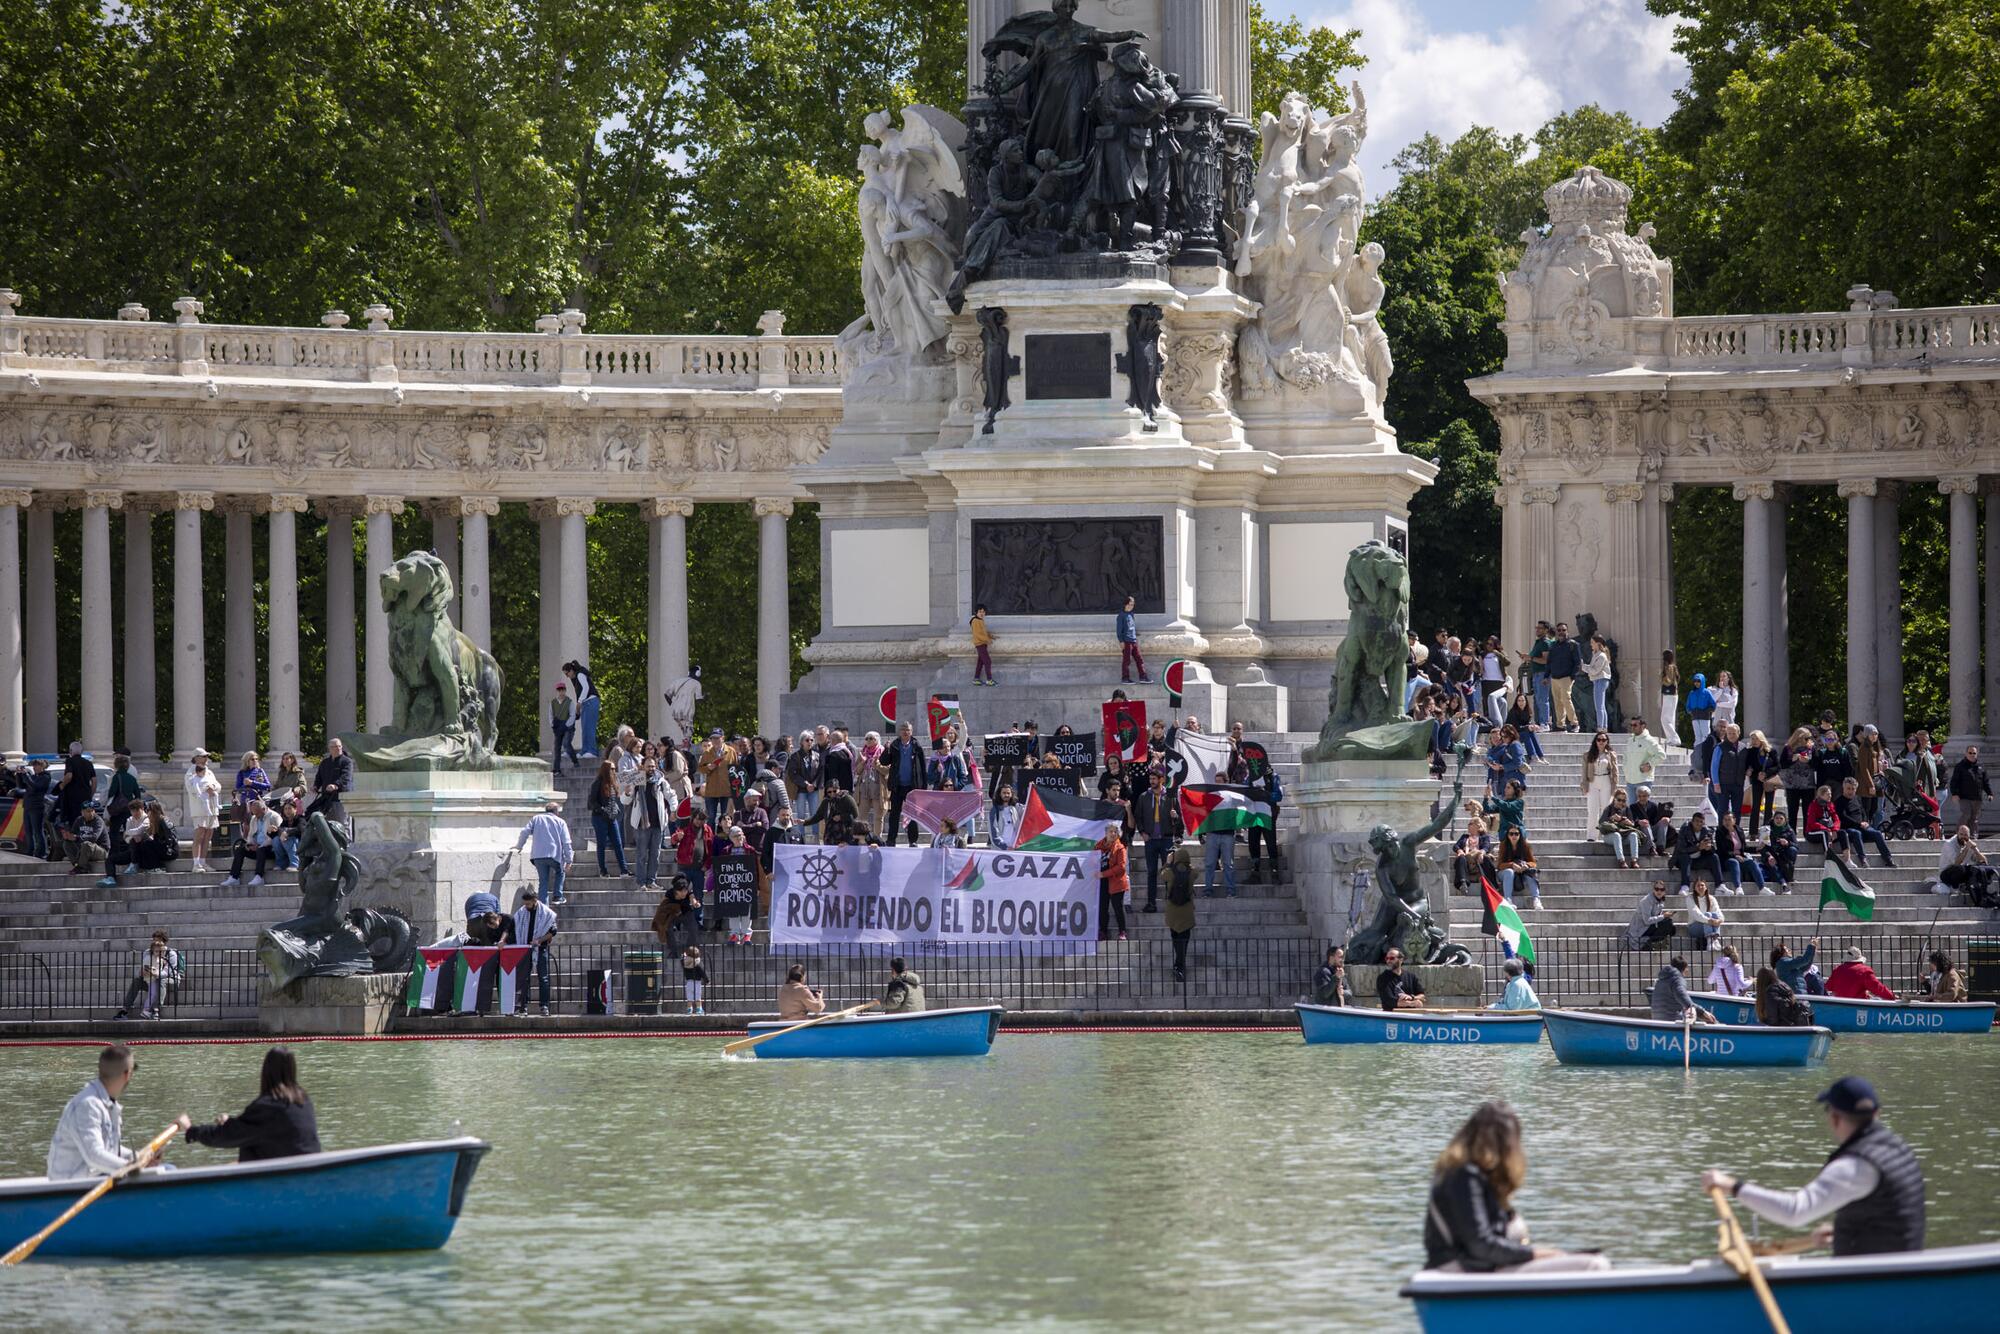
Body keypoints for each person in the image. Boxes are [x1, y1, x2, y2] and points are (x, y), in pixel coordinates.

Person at [1701, 1076, 1924, 1256]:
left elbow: (1794, 1212)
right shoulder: (1897, 1147)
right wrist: (1845, 1232)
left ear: (1835, 1118)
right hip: (1897, 1272)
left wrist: (1731, 1186)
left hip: (1870, 1286)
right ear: (1876, 1114)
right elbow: (1891, 1215)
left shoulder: (1856, 1165)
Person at [1424, 1101, 1607, 1274]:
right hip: (1464, 1269)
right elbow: (1481, 1245)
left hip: (1480, 1266)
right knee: (1594, 1265)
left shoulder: (1466, 1175)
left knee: (1587, 1258)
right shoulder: (1464, 1177)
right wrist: (1535, 1254)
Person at [48, 1044, 191, 1179]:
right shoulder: (87, 1105)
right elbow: (94, 1155)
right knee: (169, 1172)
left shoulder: (106, 1103)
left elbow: (109, 1150)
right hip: (74, 1186)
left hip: (96, 1177)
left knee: (168, 1169)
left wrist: (140, 1157)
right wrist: (132, 1166)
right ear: (127, 1074)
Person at [184, 1046, 321, 1162]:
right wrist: (231, 1123)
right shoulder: (304, 1100)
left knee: (248, 1144)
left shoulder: (268, 1106)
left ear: (266, 1072)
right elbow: (257, 1129)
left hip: (279, 1180)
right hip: (308, 1171)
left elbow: (227, 1136)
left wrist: (192, 1131)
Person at [514, 800, 574, 905]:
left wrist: (519, 846)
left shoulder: (536, 818)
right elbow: (566, 842)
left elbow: (525, 832)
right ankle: (557, 896)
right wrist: (569, 859)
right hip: (554, 855)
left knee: (543, 881)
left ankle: (542, 905)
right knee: (560, 871)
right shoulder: (560, 821)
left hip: (538, 856)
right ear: (557, 811)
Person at [512, 886, 558, 1016]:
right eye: (525, 903)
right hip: (525, 949)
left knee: (543, 977)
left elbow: (553, 931)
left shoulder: (546, 913)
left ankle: (544, 1006)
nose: (526, 906)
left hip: (541, 948)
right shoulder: (521, 912)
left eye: (528, 903)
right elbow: (515, 925)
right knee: (524, 978)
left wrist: (539, 940)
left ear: (535, 901)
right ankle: (523, 1006)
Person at [114, 931, 182, 1020]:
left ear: (164, 942)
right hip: (151, 979)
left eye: (158, 941)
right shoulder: (148, 952)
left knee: (161, 980)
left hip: (170, 980)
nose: (155, 943)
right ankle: (125, 1010)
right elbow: (143, 967)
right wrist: (143, 973)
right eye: (154, 940)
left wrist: (155, 974)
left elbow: (167, 972)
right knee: (137, 980)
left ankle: (156, 1009)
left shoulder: (171, 954)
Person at [882, 721, 927, 847]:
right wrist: (886, 749)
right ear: (899, 732)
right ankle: (891, 839)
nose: (905, 732)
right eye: (903, 729)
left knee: (912, 815)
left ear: (911, 732)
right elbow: (884, 761)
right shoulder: (894, 745)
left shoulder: (916, 746)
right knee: (894, 815)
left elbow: (923, 767)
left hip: (912, 787)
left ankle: (913, 840)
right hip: (897, 786)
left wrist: (923, 787)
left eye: (907, 730)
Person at [219, 797, 280, 888]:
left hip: (270, 847)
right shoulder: (254, 818)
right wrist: (249, 844)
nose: (256, 816)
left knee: (261, 850)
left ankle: (259, 876)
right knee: (240, 849)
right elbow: (251, 835)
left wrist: (260, 846)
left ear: (264, 809)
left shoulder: (274, 817)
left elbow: (277, 836)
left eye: (258, 813)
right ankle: (234, 877)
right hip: (257, 846)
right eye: (254, 813)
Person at [629, 758, 669, 889]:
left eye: (653, 766)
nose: (651, 768)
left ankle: (651, 881)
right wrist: (627, 791)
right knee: (641, 855)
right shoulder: (636, 780)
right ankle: (641, 882)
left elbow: (671, 795)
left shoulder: (661, 781)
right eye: (648, 766)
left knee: (655, 854)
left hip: (657, 823)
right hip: (642, 824)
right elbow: (625, 800)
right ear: (642, 766)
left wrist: (674, 809)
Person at [587, 760, 629, 877]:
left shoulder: (613, 783)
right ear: (605, 770)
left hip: (611, 817)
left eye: (614, 769)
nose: (614, 771)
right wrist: (602, 810)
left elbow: (613, 799)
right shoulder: (598, 783)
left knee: (618, 843)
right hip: (600, 818)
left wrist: (615, 808)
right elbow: (591, 802)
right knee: (601, 844)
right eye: (611, 769)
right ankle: (602, 870)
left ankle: (624, 869)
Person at [184, 749, 223, 872]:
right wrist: (207, 789)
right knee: (199, 835)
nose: (206, 758)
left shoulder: (209, 772)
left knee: (208, 835)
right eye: (203, 756)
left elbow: (218, 785)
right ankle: (196, 864)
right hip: (200, 809)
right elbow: (192, 788)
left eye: (206, 756)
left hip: (212, 807)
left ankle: (203, 862)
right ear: (196, 758)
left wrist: (213, 788)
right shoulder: (190, 772)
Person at [1163, 844, 1196, 981]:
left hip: (1173, 912)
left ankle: (1179, 965)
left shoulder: (1170, 872)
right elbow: (1196, 872)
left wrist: (1168, 862)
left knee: (1176, 939)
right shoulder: (1192, 872)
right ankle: (1180, 965)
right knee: (1184, 939)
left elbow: (1162, 875)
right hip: (1187, 912)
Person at [1650, 955, 1716, 1023]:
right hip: (1672, 1021)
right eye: (1687, 968)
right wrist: (1703, 1012)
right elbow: (1686, 1001)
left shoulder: (1661, 980)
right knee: (1701, 1018)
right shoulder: (1677, 980)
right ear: (1684, 969)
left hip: (1657, 1020)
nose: (1687, 971)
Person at [308, 737, 354, 830]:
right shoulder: (325, 762)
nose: (338, 748)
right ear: (329, 749)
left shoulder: (347, 761)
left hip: (341, 798)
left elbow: (346, 777)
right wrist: (315, 786)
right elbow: (319, 777)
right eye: (335, 746)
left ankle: (346, 843)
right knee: (327, 824)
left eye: (339, 746)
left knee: (342, 823)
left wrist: (336, 785)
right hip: (327, 798)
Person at [1543, 622, 1581, 732]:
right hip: (1554, 677)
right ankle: (1560, 725)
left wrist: (1572, 676)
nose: (1561, 632)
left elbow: (1578, 663)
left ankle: (1574, 723)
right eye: (1559, 630)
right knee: (1557, 702)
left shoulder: (1573, 645)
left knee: (1566, 699)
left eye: (1563, 630)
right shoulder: (1553, 646)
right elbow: (1549, 662)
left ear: (1567, 631)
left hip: (1566, 677)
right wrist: (1546, 676)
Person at [1095, 828, 1129, 941]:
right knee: (1102, 909)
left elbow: (1121, 867)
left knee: (1117, 907)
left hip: (1116, 882)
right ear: (1105, 834)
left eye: (1115, 832)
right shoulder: (1098, 847)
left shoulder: (1120, 848)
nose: (1113, 834)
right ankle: (1103, 931)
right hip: (1102, 882)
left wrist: (1104, 874)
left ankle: (1122, 931)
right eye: (1110, 831)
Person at [1494, 828, 1542, 909]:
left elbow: (1533, 862)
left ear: (1520, 835)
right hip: (1504, 873)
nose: (1514, 836)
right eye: (1511, 834)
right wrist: (1512, 865)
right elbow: (1499, 865)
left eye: (1516, 834)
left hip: (1521, 872)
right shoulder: (1504, 845)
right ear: (1508, 835)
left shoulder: (1525, 846)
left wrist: (1526, 865)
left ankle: (1536, 899)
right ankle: (1508, 900)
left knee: (1530, 873)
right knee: (1509, 872)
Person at [1622, 718, 1666, 806]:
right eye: (1631, 725)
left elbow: (1661, 755)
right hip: (1630, 782)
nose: (1633, 727)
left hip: (1643, 780)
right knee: (1632, 811)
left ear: (1643, 726)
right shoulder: (1630, 740)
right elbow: (1626, 757)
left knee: (1644, 810)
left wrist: (1649, 764)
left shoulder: (1649, 740)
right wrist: (1625, 770)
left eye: (1635, 725)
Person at [562, 659, 600, 758]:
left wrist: (579, 701)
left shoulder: (580, 674)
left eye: (567, 673)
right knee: (585, 728)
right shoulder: (574, 678)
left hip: (591, 701)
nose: (567, 676)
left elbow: (586, 688)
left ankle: (592, 751)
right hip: (586, 703)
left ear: (571, 671)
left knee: (589, 727)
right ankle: (585, 750)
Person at [1827, 946, 1896, 1000]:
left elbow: (1829, 986)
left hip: (1840, 1004)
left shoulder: (1837, 970)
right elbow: (1878, 988)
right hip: (1858, 1005)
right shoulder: (1864, 970)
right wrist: (1892, 996)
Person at [1948, 745, 1989, 834]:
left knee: (1974, 817)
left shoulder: (1981, 766)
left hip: (1977, 797)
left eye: (1974, 753)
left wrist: (1989, 793)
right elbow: (1954, 781)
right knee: (1966, 814)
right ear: (1966, 753)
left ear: (1977, 754)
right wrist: (1954, 794)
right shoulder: (1960, 766)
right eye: (1970, 753)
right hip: (1964, 797)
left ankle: (1973, 835)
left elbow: (1985, 781)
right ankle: (1959, 833)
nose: (1972, 755)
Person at [1624, 880, 1675, 950]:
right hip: (1640, 931)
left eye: (1662, 889)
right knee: (1667, 922)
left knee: (1669, 924)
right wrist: (1663, 916)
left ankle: (1653, 943)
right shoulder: (1647, 901)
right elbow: (1647, 921)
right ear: (1653, 890)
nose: (1659, 892)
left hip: (1648, 927)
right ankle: (1648, 943)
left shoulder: (1661, 900)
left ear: (1664, 891)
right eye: (1657, 889)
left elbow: (1657, 917)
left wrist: (1664, 916)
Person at [1599, 789, 1642, 869]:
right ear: (1614, 798)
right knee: (1616, 835)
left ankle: (1634, 860)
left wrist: (1628, 822)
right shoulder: (1609, 808)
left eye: (1623, 800)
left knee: (1633, 835)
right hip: (1610, 836)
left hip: (1624, 835)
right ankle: (1621, 861)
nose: (1621, 802)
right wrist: (1611, 818)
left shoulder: (1626, 809)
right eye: (1619, 800)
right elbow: (1601, 823)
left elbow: (1632, 824)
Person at [1452, 815, 1496, 894]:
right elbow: (1456, 846)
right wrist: (1459, 851)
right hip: (1466, 860)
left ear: (1477, 826)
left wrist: (1481, 853)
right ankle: (1463, 883)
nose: (1468, 825)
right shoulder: (1464, 837)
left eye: (1470, 824)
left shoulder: (1484, 837)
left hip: (1478, 860)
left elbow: (1486, 847)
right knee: (1461, 858)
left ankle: (1493, 885)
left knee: (1486, 858)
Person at [1683, 879, 1724, 950]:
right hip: (1694, 927)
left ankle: (1714, 940)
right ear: (1694, 888)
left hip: (1709, 925)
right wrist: (1708, 920)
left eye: (1702, 885)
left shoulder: (1711, 898)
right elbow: (1696, 914)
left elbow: (1718, 912)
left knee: (1714, 915)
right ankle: (1710, 942)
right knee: (1708, 915)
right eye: (1698, 885)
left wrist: (1719, 920)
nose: (1700, 887)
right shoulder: (1690, 898)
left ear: (1706, 887)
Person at [1685, 672, 1716, 764]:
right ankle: (1698, 753)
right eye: (1695, 681)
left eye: (1698, 681)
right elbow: (1688, 705)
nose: (1696, 683)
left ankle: (1707, 752)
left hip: (1704, 717)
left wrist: (1707, 710)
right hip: (1695, 717)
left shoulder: (1706, 692)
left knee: (1706, 736)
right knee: (1697, 736)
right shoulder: (1692, 693)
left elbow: (1713, 704)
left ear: (1702, 681)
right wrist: (1690, 711)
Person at [1584, 635, 1612, 728]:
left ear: (1598, 643)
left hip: (1600, 680)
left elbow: (1595, 670)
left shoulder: (1601, 656)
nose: (1591, 644)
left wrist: (1583, 667)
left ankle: (1601, 726)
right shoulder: (1596, 655)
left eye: (1592, 642)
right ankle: (1603, 726)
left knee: (1599, 706)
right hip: (1597, 680)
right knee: (1601, 705)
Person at [550, 680, 576, 775]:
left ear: (565, 690)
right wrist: (552, 725)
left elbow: (572, 715)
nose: (561, 692)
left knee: (566, 744)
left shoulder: (569, 702)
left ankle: (575, 760)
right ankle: (557, 769)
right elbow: (551, 714)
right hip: (557, 727)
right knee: (557, 748)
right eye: (559, 690)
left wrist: (567, 725)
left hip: (566, 727)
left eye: (562, 690)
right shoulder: (553, 702)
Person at [970, 603, 996, 685]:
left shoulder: (980, 620)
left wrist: (990, 636)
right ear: (976, 612)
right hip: (980, 644)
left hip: (983, 644)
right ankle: (989, 680)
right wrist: (987, 640)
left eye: (983, 612)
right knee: (987, 661)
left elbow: (983, 631)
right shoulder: (975, 621)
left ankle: (976, 679)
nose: (982, 613)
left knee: (980, 662)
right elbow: (978, 634)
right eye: (980, 611)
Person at [1657, 649, 1680, 742]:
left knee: (1664, 718)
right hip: (1672, 695)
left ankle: (1674, 738)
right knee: (1670, 718)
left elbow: (1668, 681)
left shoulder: (1669, 667)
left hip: (1669, 695)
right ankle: (1671, 738)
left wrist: (1662, 678)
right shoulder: (1673, 667)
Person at [680, 945, 708, 1016]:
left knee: (689, 997)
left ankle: (689, 1009)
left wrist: (683, 957)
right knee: (698, 996)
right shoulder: (697, 963)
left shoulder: (685, 962)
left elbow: (682, 962)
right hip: (697, 982)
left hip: (689, 982)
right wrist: (707, 980)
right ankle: (699, 1009)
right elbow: (702, 972)